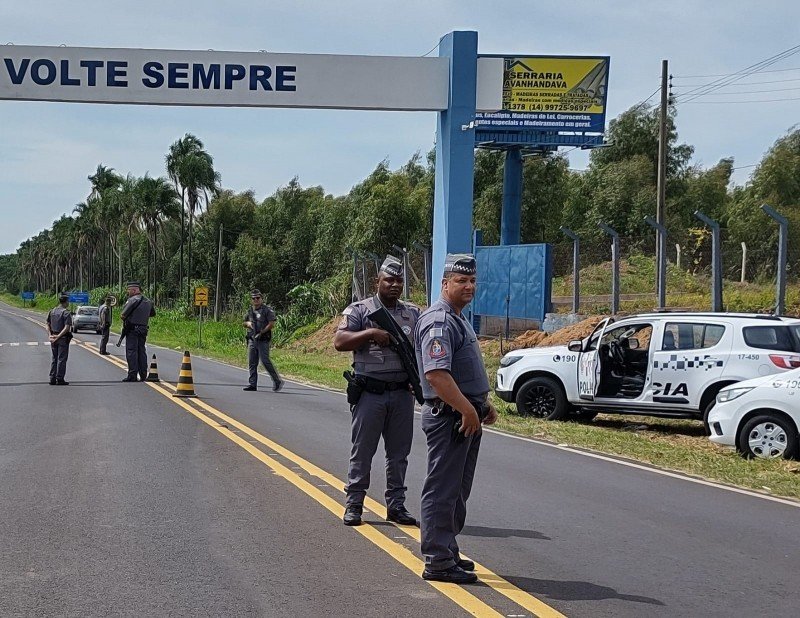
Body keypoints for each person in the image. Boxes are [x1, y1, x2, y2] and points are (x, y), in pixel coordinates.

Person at [413, 253, 497, 584]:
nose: (469, 286)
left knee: (457, 490)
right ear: (445, 283)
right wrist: (465, 408)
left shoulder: (458, 317)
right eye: (461, 281)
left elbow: (462, 370)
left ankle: (447, 549)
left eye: (473, 281)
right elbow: (436, 375)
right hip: (451, 417)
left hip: (464, 415)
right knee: (442, 489)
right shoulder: (439, 321)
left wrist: (481, 404)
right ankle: (436, 560)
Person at [333, 255, 420, 527]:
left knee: (399, 454)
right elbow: (340, 341)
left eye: (399, 281)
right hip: (370, 393)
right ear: (377, 281)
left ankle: (396, 506)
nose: (394, 285)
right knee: (363, 451)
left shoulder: (413, 313)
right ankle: (355, 504)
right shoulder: (360, 311)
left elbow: (420, 350)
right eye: (389, 280)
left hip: (402, 394)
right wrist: (370, 334)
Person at [243, 289, 284, 392]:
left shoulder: (267, 310)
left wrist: (262, 331)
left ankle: (277, 380)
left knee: (265, 361)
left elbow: (271, 323)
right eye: (254, 298)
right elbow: (244, 322)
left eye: (258, 298)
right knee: (252, 362)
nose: (256, 300)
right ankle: (252, 384)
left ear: (261, 299)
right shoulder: (250, 311)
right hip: (252, 339)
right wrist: (249, 324)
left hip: (263, 339)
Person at [119, 281, 155, 382]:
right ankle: (143, 374)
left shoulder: (132, 300)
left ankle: (132, 375)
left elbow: (123, 315)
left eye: (129, 290)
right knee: (141, 351)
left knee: (131, 352)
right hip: (143, 329)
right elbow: (152, 314)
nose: (128, 292)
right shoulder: (148, 301)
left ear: (134, 290)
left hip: (132, 329)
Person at [46, 293, 73, 385]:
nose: (68, 303)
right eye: (68, 301)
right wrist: (59, 336)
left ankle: (52, 378)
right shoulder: (66, 313)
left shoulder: (52, 311)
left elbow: (47, 324)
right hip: (62, 338)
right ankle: (60, 378)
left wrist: (50, 335)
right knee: (61, 358)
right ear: (65, 302)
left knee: (54, 358)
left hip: (53, 337)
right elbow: (67, 327)